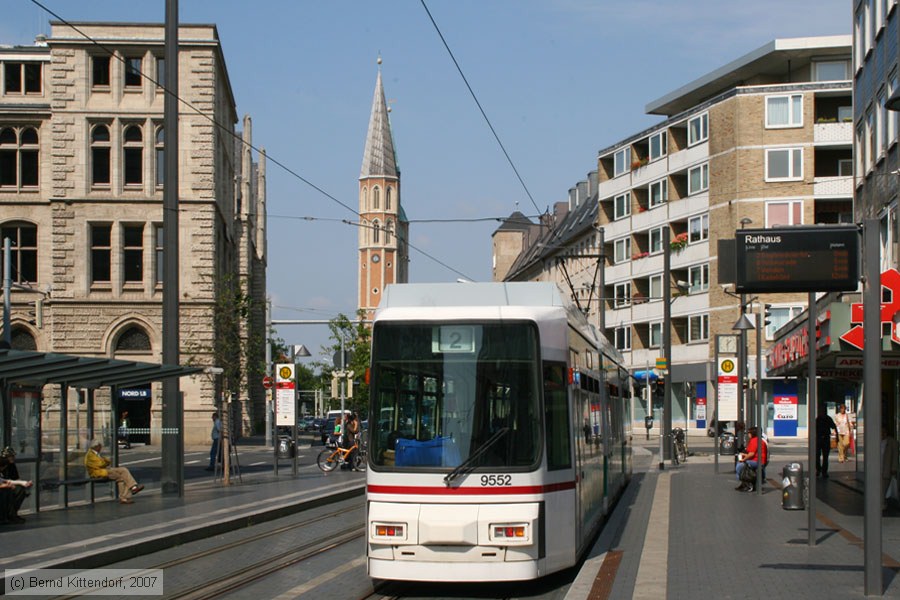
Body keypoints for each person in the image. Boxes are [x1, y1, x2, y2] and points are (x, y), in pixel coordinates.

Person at [84, 439, 143, 504]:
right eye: (100, 446)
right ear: (96, 446)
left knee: (123, 470)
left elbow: (106, 461)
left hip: (104, 469)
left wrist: (105, 461)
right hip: (99, 472)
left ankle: (134, 487)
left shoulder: (96, 453)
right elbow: (101, 463)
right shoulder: (90, 455)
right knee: (121, 478)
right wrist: (105, 461)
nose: (101, 447)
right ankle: (124, 497)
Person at [0, 449, 32, 524]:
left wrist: (23, 483)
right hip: (4, 488)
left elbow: (8, 479)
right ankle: (7, 515)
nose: (13, 458)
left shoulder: (11, 466)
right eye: (10, 456)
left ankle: (12, 514)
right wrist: (6, 486)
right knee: (6, 493)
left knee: (19, 490)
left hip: (7, 486)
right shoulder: (2, 465)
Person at [735, 426, 767, 492]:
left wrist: (743, 459)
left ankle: (745, 482)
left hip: (758, 461)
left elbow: (751, 454)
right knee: (742, 464)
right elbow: (753, 453)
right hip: (758, 460)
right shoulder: (757, 440)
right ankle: (745, 483)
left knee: (740, 465)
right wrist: (744, 455)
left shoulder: (755, 440)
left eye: (749, 432)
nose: (748, 434)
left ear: (752, 433)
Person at [815, 406, 838, 478]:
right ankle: (819, 469)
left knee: (825, 456)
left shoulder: (827, 418)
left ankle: (824, 471)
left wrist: (836, 436)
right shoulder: (818, 419)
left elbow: (833, 426)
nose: (821, 413)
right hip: (819, 438)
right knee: (817, 456)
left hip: (825, 438)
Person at [882, 426, 899, 510]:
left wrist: (894, 468)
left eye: (884, 431)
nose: (882, 433)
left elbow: (895, 456)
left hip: (886, 470)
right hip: (878, 470)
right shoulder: (876, 441)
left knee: (884, 488)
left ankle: (882, 503)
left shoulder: (892, 442)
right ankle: (882, 503)